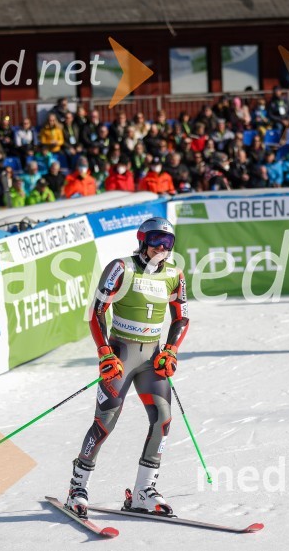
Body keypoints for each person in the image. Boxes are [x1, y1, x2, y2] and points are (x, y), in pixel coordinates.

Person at [65, 217, 189, 519]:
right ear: (142, 240)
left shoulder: (174, 274)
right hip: (121, 356)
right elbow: (95, 311)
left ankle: (144, 492)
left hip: (152, 359)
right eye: (157, 240)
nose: (162, 247)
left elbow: (182, 318)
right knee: (105, 423)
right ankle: (77, 488)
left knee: (163, 419)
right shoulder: (121, 267)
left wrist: (171, 350)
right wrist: (105, 352)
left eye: (168, 242)